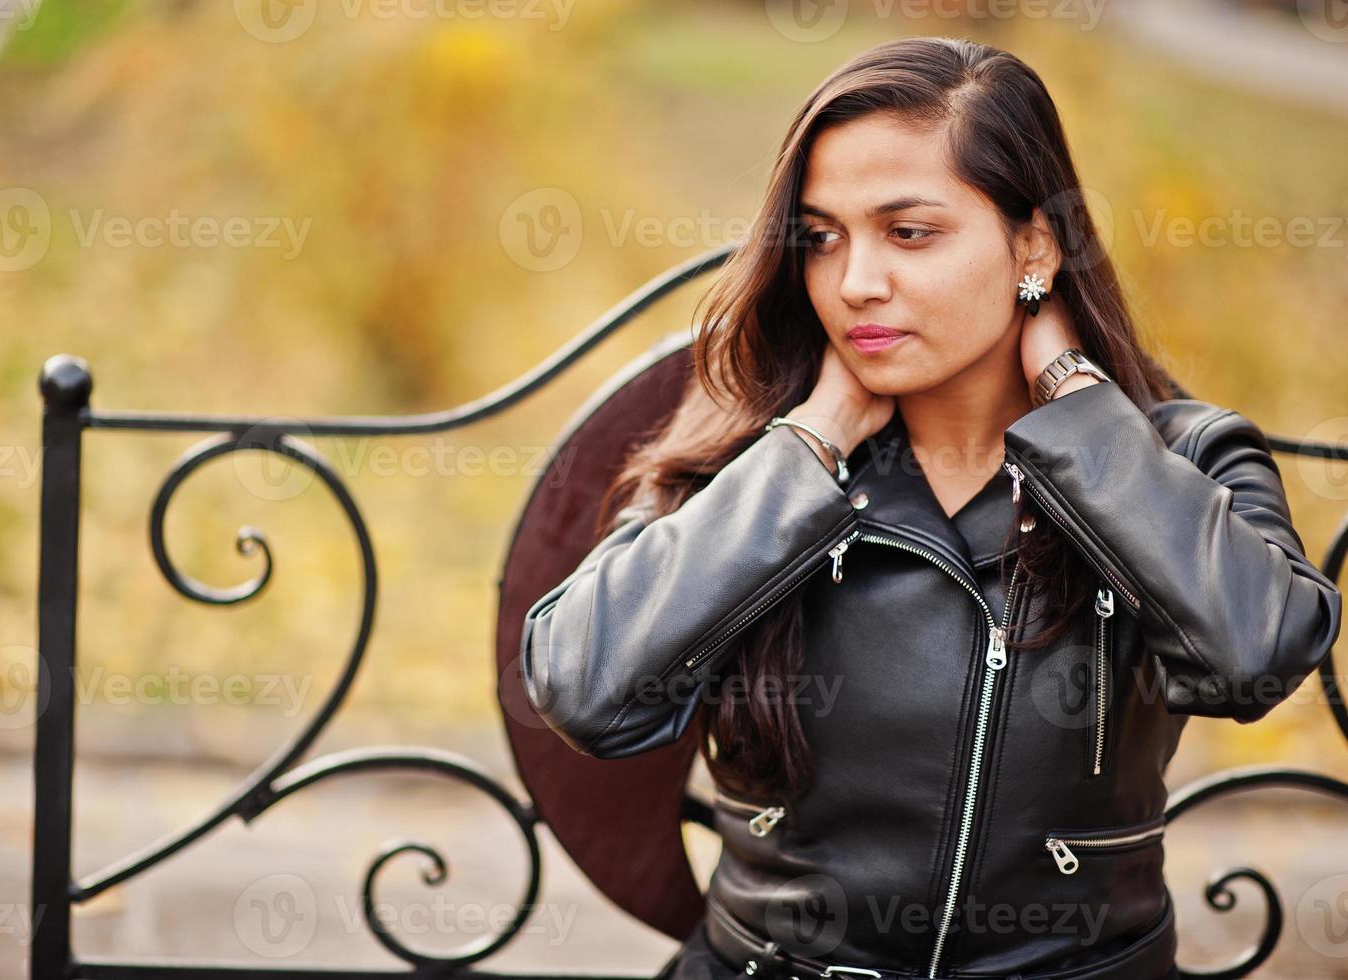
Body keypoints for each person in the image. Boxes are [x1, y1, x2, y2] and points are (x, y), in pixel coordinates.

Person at [520, 35, 1341, 980]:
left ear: (1033, 242)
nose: (854, 282)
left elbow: (1257, 656)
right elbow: (584, 691)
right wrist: (813, 438)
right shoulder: (748, 457)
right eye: (822, 237)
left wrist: (1076, 406)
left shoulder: (1176, 459)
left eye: (908, 233)